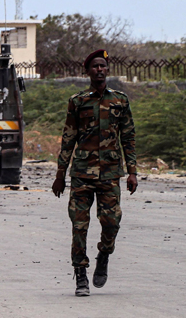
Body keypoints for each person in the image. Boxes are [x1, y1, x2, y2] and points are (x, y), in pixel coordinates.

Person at [52, 50, 137, 297]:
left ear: (107, 70)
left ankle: (104, 254)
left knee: (112, 222)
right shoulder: (78, 101)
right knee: (79, 226)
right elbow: (68, 138)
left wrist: (132, 172)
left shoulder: (120, 100)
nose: (99, 69)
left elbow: (128, 137)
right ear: (88, 72)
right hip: (81, 175)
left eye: (103, 66)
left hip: (110, 174)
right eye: (95, 66)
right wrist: (60, 174)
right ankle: (80, 275)